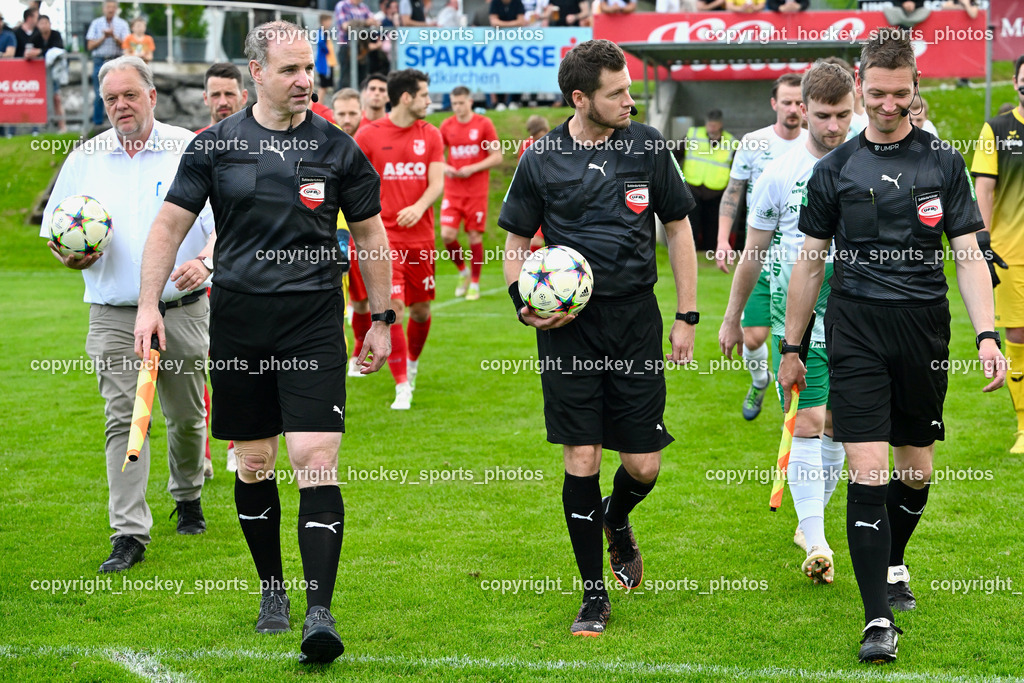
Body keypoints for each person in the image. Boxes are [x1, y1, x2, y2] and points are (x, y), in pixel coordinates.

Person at [134, 21, 392, 665]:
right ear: (256, 71)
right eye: (290, 71)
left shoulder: (338, 148)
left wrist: (382, 319)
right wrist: (148, 305)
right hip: (241, 324)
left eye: (310, 70)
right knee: (254, 462)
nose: (305, 81)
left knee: (314, 454)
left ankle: (320, 611)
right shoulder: (215, 145)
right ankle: (272, 590)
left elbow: (369, 234)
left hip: (312, 321)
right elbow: (169, 226)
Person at [778, 31, 1005, 664]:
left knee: (916, 471)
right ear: (859, 84)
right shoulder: (834, 170)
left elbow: (966, 255)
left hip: (924, 329)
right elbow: (809, 263)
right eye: (876, 94)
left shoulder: (943, 162)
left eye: (900, 94)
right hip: (856, 329)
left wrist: (987, 334)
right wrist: (793, 344)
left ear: (915, 87)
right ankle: (878, 618)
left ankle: (895, 558)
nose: (887, 105)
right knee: (868, 472)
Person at [499, 39, 698, 637]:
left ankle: (618, 519)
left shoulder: (647, 147)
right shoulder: (540, 160)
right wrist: (523, 304)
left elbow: (680, 228)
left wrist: (686, 315)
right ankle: (593, 596)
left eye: (630, 90)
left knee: (643, 465)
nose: (629, 102)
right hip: (570, 333)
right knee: (581, 456)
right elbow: (513, 249)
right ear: (580, 98)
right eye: (617, 94)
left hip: (637, 322)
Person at [40, 55, 214, 573]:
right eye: (111, 98)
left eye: (129, 95)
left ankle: (187, 494)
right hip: (114, 313)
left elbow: (230, 218)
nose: (120, 106)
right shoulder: (86, 157)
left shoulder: (187, 148)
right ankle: (129, 533)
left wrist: (206, 260)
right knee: (126, 419)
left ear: (152, 95)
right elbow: (56, 225)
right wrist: (67, 254)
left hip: (181, 307)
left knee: (185, 417)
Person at [719, 60, 854, 583]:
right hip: (797, 320)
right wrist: (732, 317)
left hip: (863, 317)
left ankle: (810, 521)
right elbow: (753, 251)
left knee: (841, 424)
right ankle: (817, 538)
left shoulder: (870, 155)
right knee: (810, 421)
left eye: (843, 115)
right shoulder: (778, 172)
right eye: (822, 115)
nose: (833, 127)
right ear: (804, 111)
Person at [716, 73, 805, 421]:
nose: (794, 109)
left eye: (800, 103)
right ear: (774, 104)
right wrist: (723, 239)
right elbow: (734, 191)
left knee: (798, 339)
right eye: (787, 102)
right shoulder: (754, 142)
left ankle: (805, 411)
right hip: (760, 256)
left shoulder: (816, 142)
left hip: (800, 261)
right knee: (752, 339)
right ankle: (760, 380)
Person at [354, 69, 443, 409]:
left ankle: (413, 364)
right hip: (384, 240)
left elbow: (436, 182)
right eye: (425, 95)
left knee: (421, 311)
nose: (429, 101)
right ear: (407, 97)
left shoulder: (430, 134)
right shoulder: (367, 135)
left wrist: (419, 207)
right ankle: (402, 385)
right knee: (396, 310)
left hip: (421, 240)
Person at [971, 54, 1024, 453]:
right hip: (1012, 253)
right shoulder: (999, 129)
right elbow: (984, 190)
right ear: (1015, 81)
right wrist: (982, 243)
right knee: (1018, 336)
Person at [439, 86, 501, 300]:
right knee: (447, 234)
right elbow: (437, 155)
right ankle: (462, 271)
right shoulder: (447, 125)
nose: (458, 107)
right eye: (454, 103)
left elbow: (497, 156)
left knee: (474, 235)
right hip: (453, 191)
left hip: (476, 192)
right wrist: (446, 167)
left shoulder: (483, 124)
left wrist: (472, 168)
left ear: (470, 101)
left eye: (461, 103)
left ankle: (474, 282)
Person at [682, 109, 734, 252]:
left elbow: (737, 167)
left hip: (716, 191)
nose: (711, 127)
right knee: (691, 224)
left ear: (720, 125)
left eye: (714, 124)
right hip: (693, 188)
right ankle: (690, 252)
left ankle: (710, 253)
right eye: (709, 124)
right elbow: (675, 154)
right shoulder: (693, 135)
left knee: (712, 226)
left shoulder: (731, 142)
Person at [86, 0, 130, 127]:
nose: (110, 10)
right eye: (108, 7)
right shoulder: (96, 23)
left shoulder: (122, 24)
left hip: (117, 60)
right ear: (103, 9)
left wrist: (114, 36)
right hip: (99, 60)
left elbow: (126, 45)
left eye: (112, 7)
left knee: (119, 91)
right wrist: (103, 37)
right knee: (99, 92)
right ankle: (98, 123)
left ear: (116, 9)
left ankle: (117, 123)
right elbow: (90, 45)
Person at [519, 115, 549, 252]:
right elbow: (522, 170)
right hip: (534, 198)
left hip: (553, 199)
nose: (539, 141)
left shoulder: (558, 144)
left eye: (542, 137)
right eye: (536, 138)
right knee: (535, 239)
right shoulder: (527, 145)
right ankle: (534, 269)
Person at [334, 0, 377, 90]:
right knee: (346, 81)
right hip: (347, 47)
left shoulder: (364, 7)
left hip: (362, 48)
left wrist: (357, 23)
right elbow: (345, 26)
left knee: (363, 80)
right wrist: (365, 23)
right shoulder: (342, 5)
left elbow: (375, 23)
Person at [197, 62, 249, 134]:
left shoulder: (260, 141)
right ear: (205, 98)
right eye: (215, 95)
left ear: (244, 97)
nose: (223, 102)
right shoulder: (193, 141)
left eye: (229, 94)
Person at [37, 14, 67, 133]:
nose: (44, 25)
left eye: (46, 23)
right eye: (42, 23)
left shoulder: (56, 35)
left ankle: (62, 126)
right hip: (40, 74)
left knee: (57, 99)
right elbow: (29, 51)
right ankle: (44, 126)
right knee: (40, 99)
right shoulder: (36, 37)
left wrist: (39, 52)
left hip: (55, 74)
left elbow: (58, 50)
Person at [314, 14, 337, 105]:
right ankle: (318, 105)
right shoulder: (321, 32)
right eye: (328, 21)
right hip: (324, 64)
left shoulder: (327, 32)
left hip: (329, 63)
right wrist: (326, 50)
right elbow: (320, 42)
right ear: (323, 21)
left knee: (326, 86)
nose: (330, 23)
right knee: (323, 86)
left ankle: (320, 104)